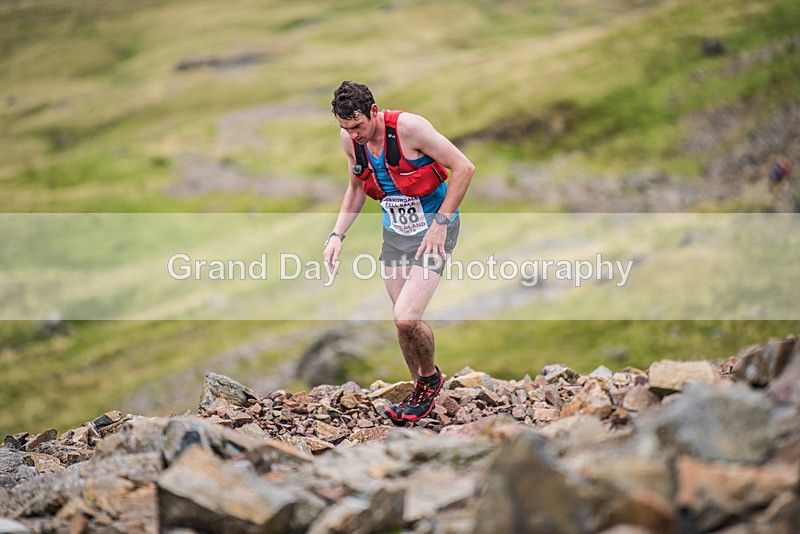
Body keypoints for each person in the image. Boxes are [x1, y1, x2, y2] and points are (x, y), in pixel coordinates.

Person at [324, 81, 475, 424]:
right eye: (346, 128)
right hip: (396, 235)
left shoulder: (410, 128)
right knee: (404, 323)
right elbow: (355, 188)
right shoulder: (350, 140)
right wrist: (337, 235)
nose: (354, 135)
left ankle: (428, 382)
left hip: (434, 231)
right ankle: (420, 391)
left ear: (374, 111)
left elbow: (464, 168)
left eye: (359, 126)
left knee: (406, 316)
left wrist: (440, 223)